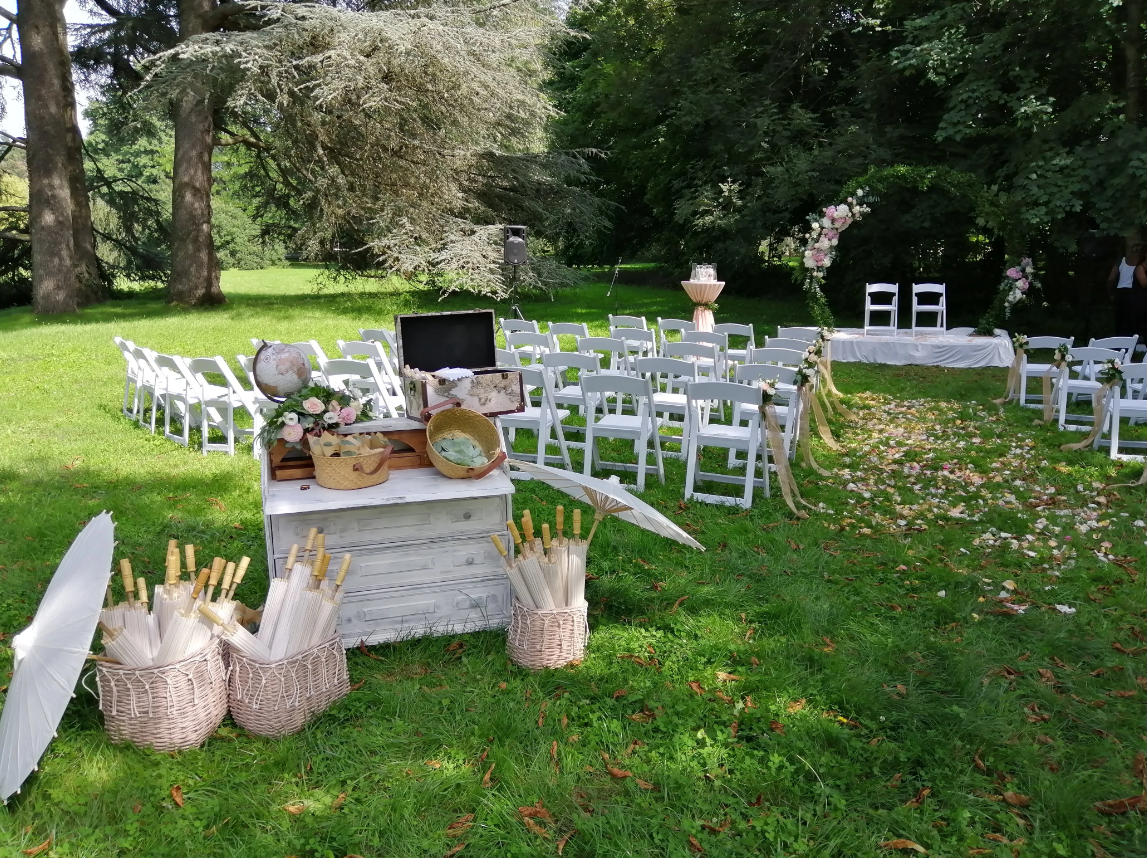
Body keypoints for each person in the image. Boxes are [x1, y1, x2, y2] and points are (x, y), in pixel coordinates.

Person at [1107, 242, 1147, 343]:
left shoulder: (1122, 260)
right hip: (1135, 293)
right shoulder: (1142, 263)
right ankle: (1135, 341)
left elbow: (1111, 279)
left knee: (1120, 320)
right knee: (1135, 320)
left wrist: (1110, 293)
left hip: (1121, 292)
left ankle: (1120, 342)